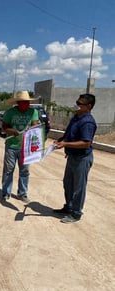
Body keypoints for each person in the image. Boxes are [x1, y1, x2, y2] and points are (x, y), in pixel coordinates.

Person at [53, 94, 97, 223]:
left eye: (80, 103)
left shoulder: (87, 122)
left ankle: (76, 213)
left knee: (79, 187)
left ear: (88, 106)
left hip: (82, 158)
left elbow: (85, 143)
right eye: (77, 102)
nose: (76, 105)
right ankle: (69, 207)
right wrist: (62, 139)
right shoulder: (76, 117)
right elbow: (69, 133)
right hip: (72, 157)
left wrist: (65, 144)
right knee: (68, 184)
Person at [1, 91, 40, 202]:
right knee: (9, 170)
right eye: (23, 102)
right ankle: (6, 192)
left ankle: (22, 193)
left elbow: (35, 125)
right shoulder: (10, 112)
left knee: (25, 171)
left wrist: (33, 128)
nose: (26, 104)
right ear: (18, 103)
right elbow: (4, 127)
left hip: (26, 147)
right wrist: (12, 131)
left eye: (27, 102)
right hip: (11, 145)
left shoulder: (33, 112)